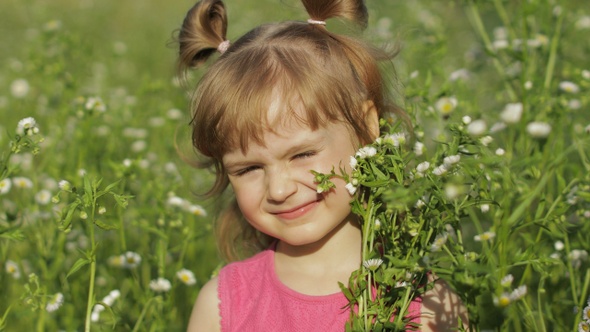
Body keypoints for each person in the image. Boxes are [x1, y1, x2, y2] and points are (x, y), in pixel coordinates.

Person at [176, 0, 469, 330]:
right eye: (249, 169)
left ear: (367, 126)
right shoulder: (223, 305)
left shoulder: (422, 304)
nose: (279, 189)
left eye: (301, 155)